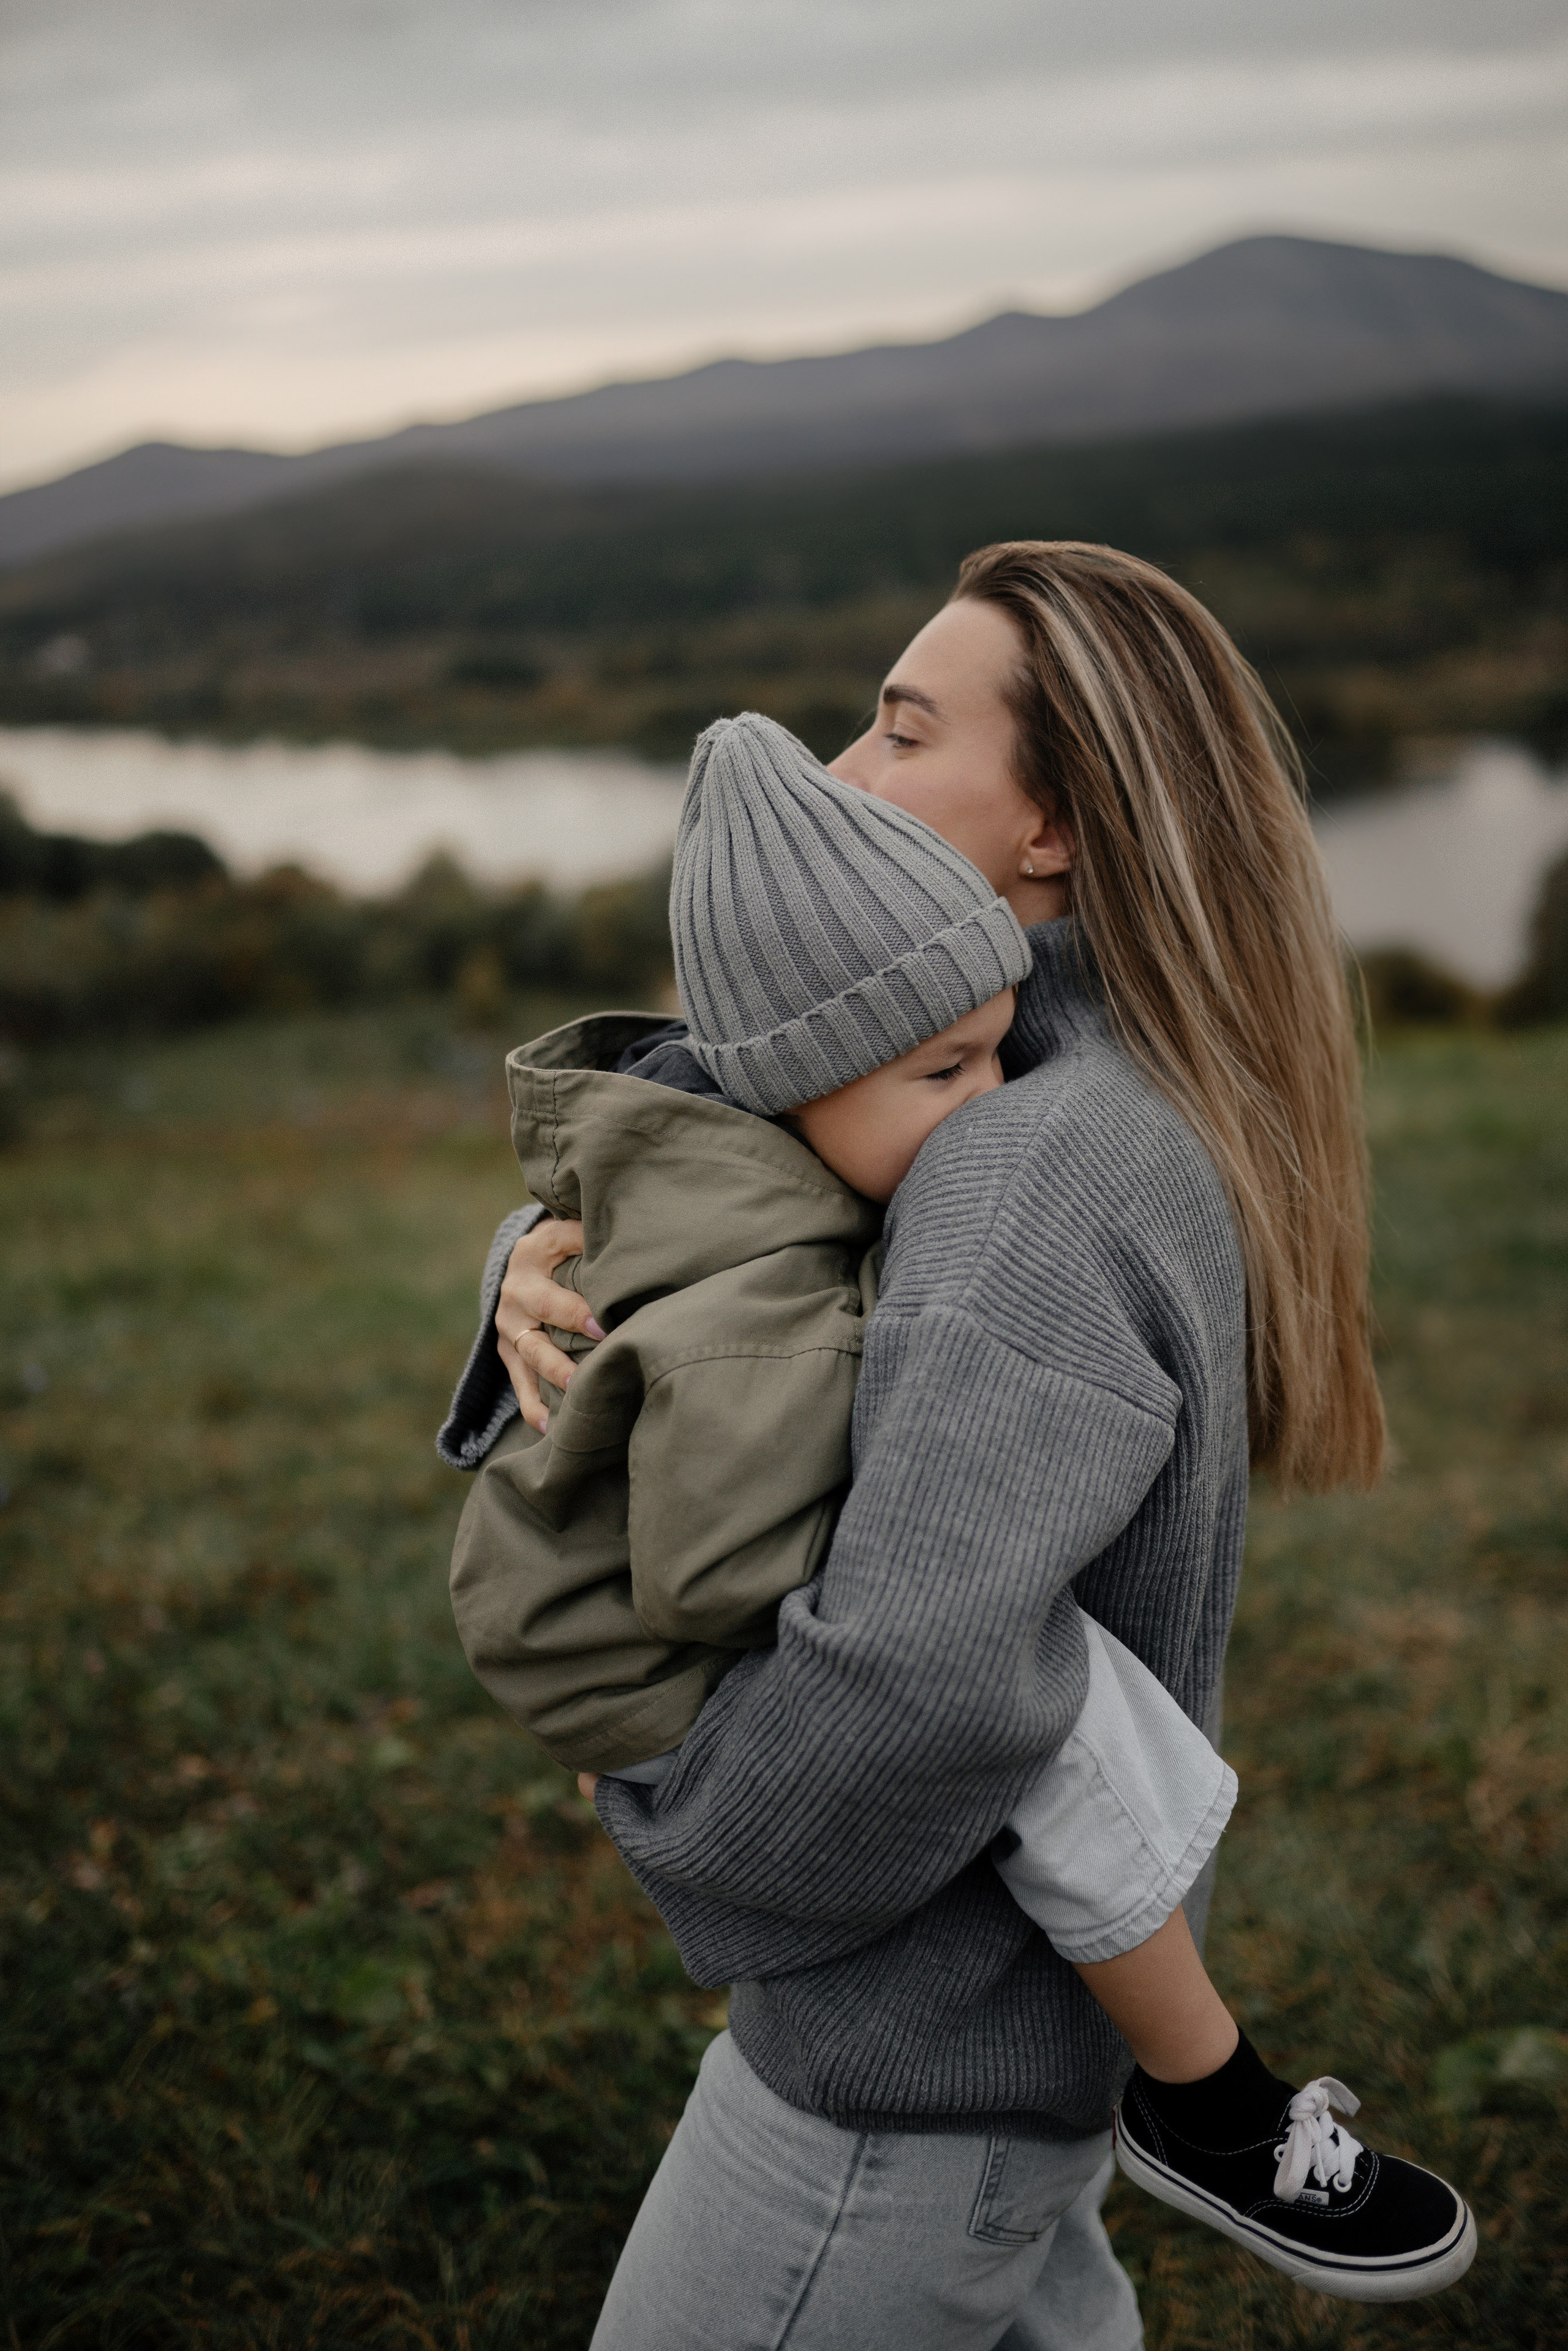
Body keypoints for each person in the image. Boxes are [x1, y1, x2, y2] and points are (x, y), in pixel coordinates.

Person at [461, 545, 1477, 2344]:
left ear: (1062, 822)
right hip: (1007, 2056)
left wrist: (693, 1833)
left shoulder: (1016, 1152)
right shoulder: (1062, 1050)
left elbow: (928, 1674)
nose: (846, 771)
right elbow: (733, 1161)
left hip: (891, 2084)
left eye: (900, 726)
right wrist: (539, 1253)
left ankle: (1218, 2098)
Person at [444, 710, 1238, 2073]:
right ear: (797, 1082)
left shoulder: (790, 1140)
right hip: (627, 1640)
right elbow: (718, 1574)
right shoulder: (771, 1321)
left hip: (615, 1580)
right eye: (945, 1072)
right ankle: (1200, 2082)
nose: (984, 1097)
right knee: (1053, 1704)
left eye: (996, 1052)